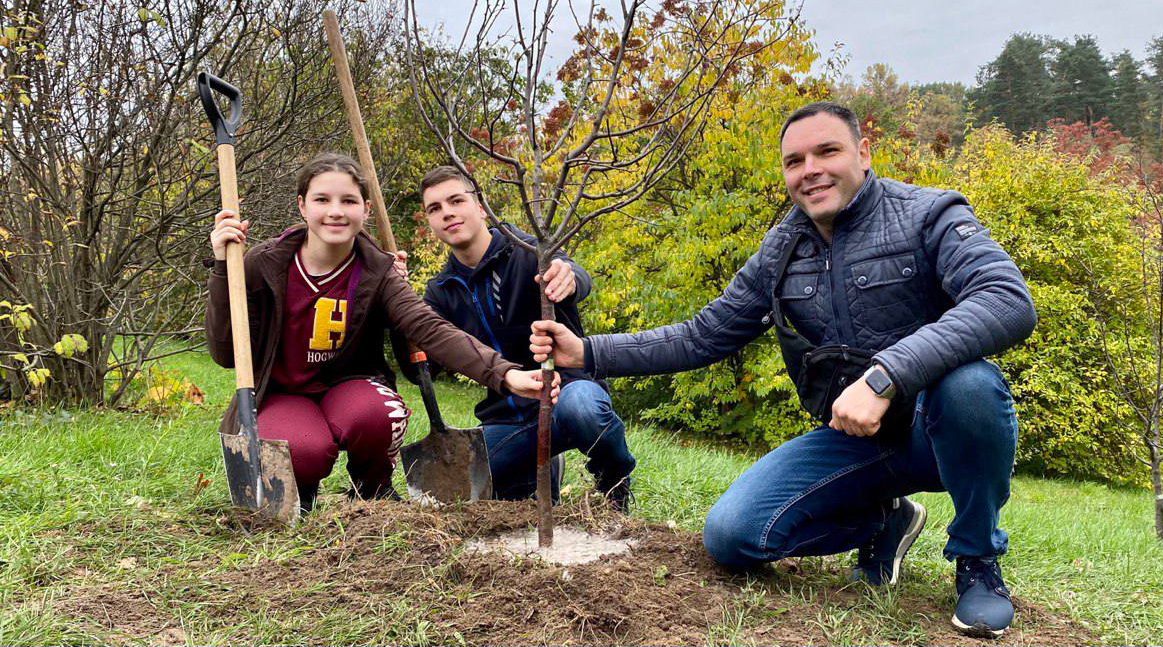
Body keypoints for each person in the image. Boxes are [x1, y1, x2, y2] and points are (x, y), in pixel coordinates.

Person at [531, 102, 1036, 638]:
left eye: (827, 151)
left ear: (863, 153)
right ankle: (883, 520)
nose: (810, 170)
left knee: (971, 386)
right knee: (732, 536)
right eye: (794, 161)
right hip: (854, 441)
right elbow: (702, 335)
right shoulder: (781, 249)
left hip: (939, 435)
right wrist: (586, 352)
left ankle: (978, 561)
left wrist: (885, 377)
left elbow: (1005, 300)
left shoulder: (929, 214)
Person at [205, 153, 555, 512]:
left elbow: (429, 328)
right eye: (322, 200)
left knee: (380, 415)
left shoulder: (378, 271)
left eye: (348, 201)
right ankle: (302, 494)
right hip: (282, 394)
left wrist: (505, 374)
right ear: (302, 206)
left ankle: (372, 491)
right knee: (306, 450)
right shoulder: (263, 264)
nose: (336, 212)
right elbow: (226, 353)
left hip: (349, 388)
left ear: (366, 209)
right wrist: (222, 268)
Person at [407, 166, 635, 510]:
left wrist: (570, 278)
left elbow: (574, 274)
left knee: (585, 410)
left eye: (456, 200)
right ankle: (539, 473)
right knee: (466, 489)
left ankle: (614, 486)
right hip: (506, 418)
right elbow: (421, 371)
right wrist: (400, 306)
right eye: (434, 208)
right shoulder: (440, 292)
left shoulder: (528, 251)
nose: (447, 213)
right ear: (430, 221)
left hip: (566, 395)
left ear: (480, 207)